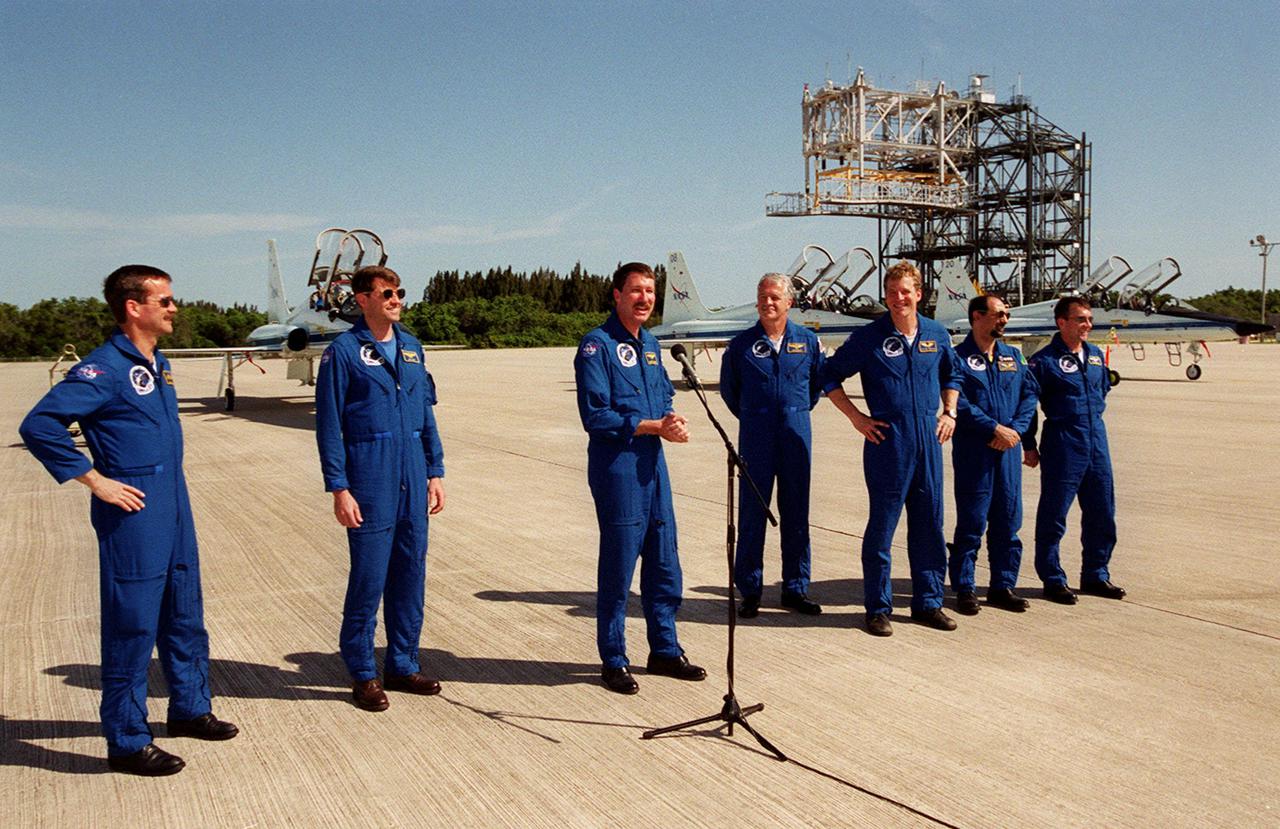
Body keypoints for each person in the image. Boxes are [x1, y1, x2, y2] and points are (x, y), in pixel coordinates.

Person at [19, 265, 238, 776]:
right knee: (133, 624)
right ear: (133, 308)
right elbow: (40, 425)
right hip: (133, 508)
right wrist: (95, 480)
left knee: (184, 611)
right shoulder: (105, 368)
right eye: (163, 300)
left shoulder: (155, 363)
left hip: (174, 500)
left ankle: (188, 707)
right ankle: (126, 738)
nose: (173, 307)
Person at [315, 265, 446, 712]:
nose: (396, 299)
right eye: (387, 293)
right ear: (364, 299)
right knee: (369, 578)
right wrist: (339, 487)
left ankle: (404, 663)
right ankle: (363, 672)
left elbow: (425, 413)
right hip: (370, 474)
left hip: (413, 468)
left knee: (411, 573)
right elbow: (329, 425)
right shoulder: (344, 352)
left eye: (399, 292)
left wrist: (435, 470)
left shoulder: (411, 347)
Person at [574, 262, 706, 694]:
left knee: (665, 558)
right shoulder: (597, 346)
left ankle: (664, 649)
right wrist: (653, 426)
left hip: (653, 465)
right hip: (619, 468)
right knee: (619, 564)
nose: (645, 298)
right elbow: (596, 415)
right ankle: (613, 658)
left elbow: (663, 398)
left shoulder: (651, 344)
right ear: (616, 295)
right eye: (636, 291)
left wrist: (673, 421)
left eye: (650, 291)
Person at [821, 261, 962, 636]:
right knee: (882, 528)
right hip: (888, 441)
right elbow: (829, 375)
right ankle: (878, 608)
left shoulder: (936, 333)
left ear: (918, 294)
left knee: (930, 524)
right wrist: (857, 418)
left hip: (929, 443)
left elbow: (953, 373)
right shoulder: (869, 337)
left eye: (905, 291)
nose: (898, 298)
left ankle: (928, 603)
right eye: (892, 292)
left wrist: (950, 411)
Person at [719, 273, 825, 618]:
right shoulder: (741, 346)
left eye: (775, 297)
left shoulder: (807, 342)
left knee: (796, 514)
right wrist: (756, 416)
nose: (768, 303)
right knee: (752, 514)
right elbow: (729, 391)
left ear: (789, 302)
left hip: (796, 435)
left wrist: (791, 412)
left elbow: (815, 388)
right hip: (756, 436)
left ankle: (795, 588)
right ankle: (750, 591)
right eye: (762, 296)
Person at [1023, 296, 1126, 603]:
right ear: (1062, 322)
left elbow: (1101, 390)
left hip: (1096, 440)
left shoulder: (1095, 356)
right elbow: (1029, 406)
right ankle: (1053, 578)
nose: (1087, 325)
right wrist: (1029, 444)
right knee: (1055, 514)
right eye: (1081, 319)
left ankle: (1096, 574)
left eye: (1089, 319)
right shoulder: (1044, 362)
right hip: (1063, 441)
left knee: (1102, 512)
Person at [947, 295, 1039, 615]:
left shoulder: (1013, 356)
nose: (1004, 320)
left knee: (1008, 520)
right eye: (999, 314)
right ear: (977, 316)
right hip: (976, 451)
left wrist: (1014, 430)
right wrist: (992, 429)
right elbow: (956, 402)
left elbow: (1029, 396)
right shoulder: (956, 358)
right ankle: (965, 587)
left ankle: (1002, 585)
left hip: (1009, 452)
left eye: (1007, 315)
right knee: (972, 522)